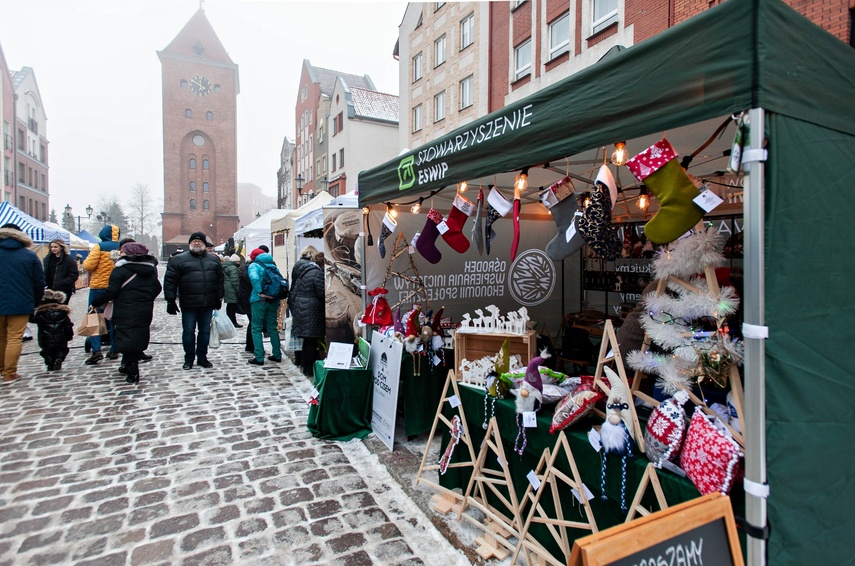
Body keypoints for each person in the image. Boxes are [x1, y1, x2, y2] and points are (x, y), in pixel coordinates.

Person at [91, 242, 162, 384]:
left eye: (122, 251)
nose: (120, 253)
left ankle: (132, 370)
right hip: (144, 309)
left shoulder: (120, 270)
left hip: (125, 309)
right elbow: (157, 288)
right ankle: (126, 365)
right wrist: (146, 299)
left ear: (129, 254)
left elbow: (111, 291)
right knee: (137, 337)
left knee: (125, 337)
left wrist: (96, 302)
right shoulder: (150, 270)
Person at [164, 231, 224, 370]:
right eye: (194, 241)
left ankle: (202, 357)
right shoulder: (179, 260)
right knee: (188, 332)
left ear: (204, 244)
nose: (197, 243)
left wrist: (219, 297)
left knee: (204, 332)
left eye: (200, 241)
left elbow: (219, 280)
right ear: (189, 244)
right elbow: (170, 281)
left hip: (207, 302)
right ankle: (189, 358)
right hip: (188, 303)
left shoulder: (213, 260)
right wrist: (170, 300)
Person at [0, 223, 45, 383]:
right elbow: (39, 282)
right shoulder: (29, 256)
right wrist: (36, 301)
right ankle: (9, 372)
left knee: (1, 338)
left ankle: (3, 369)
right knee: (14, 338)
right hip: (20, 302)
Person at [82, 224, 121, 364]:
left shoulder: (99, 246)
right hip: (115, 287)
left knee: (94, 317)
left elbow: (88, 266)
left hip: (98, 286)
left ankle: (96, 350)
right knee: (113, 318)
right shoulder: (120, 246)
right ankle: (114, 349)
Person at [288, 249, 325, 376]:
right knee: (311, 341)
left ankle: (305, 365)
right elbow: (322, 293)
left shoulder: (304, 272)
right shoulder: (317, 274)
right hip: (311, 311)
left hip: (301, 308)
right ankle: (309, 369)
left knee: (307, 341)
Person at [247, 249, 283, 365]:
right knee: (272, 327)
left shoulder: (254, 266)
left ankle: (259, 357)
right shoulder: (273, 266)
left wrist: (259, 291)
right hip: (273, 300)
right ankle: (277, 354)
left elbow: (254, 278)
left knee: (256, 328)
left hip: (259, 300)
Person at [31, 289, 74, 371]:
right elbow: (68, 325)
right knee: (61, 350)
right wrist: (70, 335)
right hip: (61, 338)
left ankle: (49, 363)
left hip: (45, 339)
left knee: (46, 352)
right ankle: (59, 358)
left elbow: (32, 319)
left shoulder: (41, 313)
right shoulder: (62, 312)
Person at [43, 239, 79, 305]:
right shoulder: (48, 259)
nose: (53, 249)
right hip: (50, 289)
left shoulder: (68, 260)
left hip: (63, 290)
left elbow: (74, 274)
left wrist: (63, 283)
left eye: (55, 247)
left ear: (61, 247)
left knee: (61, 309)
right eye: (52, 247)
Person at [222, 254, 242, 328]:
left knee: (230, 306)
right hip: (231, 289)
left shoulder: (226, 267)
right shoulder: (233, 268)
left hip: (227, 288)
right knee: (232, 306)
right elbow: (235, 280)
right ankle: (233, 322)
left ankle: (230, 321)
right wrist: (238, 290)